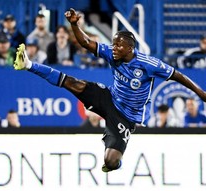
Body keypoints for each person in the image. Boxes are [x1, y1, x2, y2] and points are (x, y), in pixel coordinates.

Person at [14, 8, 206, 173]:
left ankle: (115, 163)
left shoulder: (149, 64)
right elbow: (86, 43)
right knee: (73, 83)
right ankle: (29, 64)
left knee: (110, 161)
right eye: (113, 43)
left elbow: (179, 75)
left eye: (118, 45)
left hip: (126, 117)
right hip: (109, 98)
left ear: (130, 48)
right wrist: (74, 25)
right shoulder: (112, 54)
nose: (113, 48)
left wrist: (202, 94)